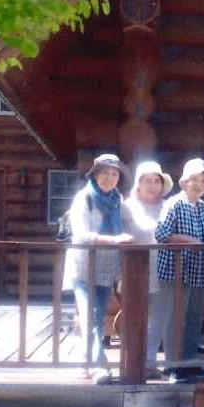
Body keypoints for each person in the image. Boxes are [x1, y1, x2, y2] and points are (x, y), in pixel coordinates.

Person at [62, 154, 134, 384]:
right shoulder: (83, 198)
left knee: (97, 317)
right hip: (83, 267)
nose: (109, 178)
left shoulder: (117, 199)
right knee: (90, 317)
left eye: (114, 174)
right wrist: (114, 240)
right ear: (94, 174)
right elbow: (81, 235)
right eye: (105, 173)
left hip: (107, 267)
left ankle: (85, 364)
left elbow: (130, 226)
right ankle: (99, 367)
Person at [155, 158, 204, 369]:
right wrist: (189, 240)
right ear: (184, 181)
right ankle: (173, 365)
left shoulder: (203, 207)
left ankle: (189, 363)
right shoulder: (173, 204)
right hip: (174, 271)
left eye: (203, 181)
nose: (199, 184)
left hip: (197, 270)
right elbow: (161, 234)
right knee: (174, 319)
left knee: (194, 318)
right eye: (194, 179)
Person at [123, 160, 174, 377]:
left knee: (158, 317)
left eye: (156, 181)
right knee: (135, 316)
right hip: (135, 268)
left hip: (163, 268)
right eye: (147, 180)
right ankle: (131, 364)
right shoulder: (126, 206)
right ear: (138, 183)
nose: (153, 185)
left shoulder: (169, 206)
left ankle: (150, 363)